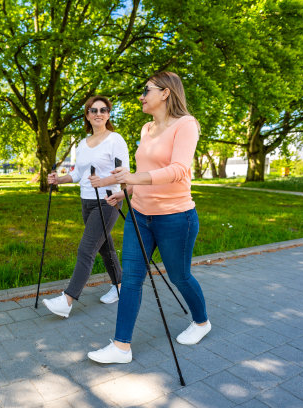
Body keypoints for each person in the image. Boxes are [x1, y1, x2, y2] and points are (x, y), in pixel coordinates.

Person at [87, 72, 210, 364]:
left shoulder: (186, 125)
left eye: (147, 90)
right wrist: (125, 189)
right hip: (139, 215)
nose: (142, 96)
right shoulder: (146, 129)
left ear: (166, 93)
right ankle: (121, 347)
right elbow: (142, 172)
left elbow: (179, 169)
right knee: (131, 279)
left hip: (175, 217)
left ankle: (202, 323)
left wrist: (134, 177)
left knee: (180, 276)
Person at [42, 96, 130, 318]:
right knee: (104, 247)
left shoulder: (115, 139)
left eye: (103, 109)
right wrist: (57, 180)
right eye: (93, 110)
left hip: (108, 200)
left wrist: (104, 182)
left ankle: (68, 299)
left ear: (109, 114)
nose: (98, 113)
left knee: (86, 249)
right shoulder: (82, 143)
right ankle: (121, 286)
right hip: (87, 201)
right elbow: (78, 174)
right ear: (87, 115)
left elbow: (123, 174)